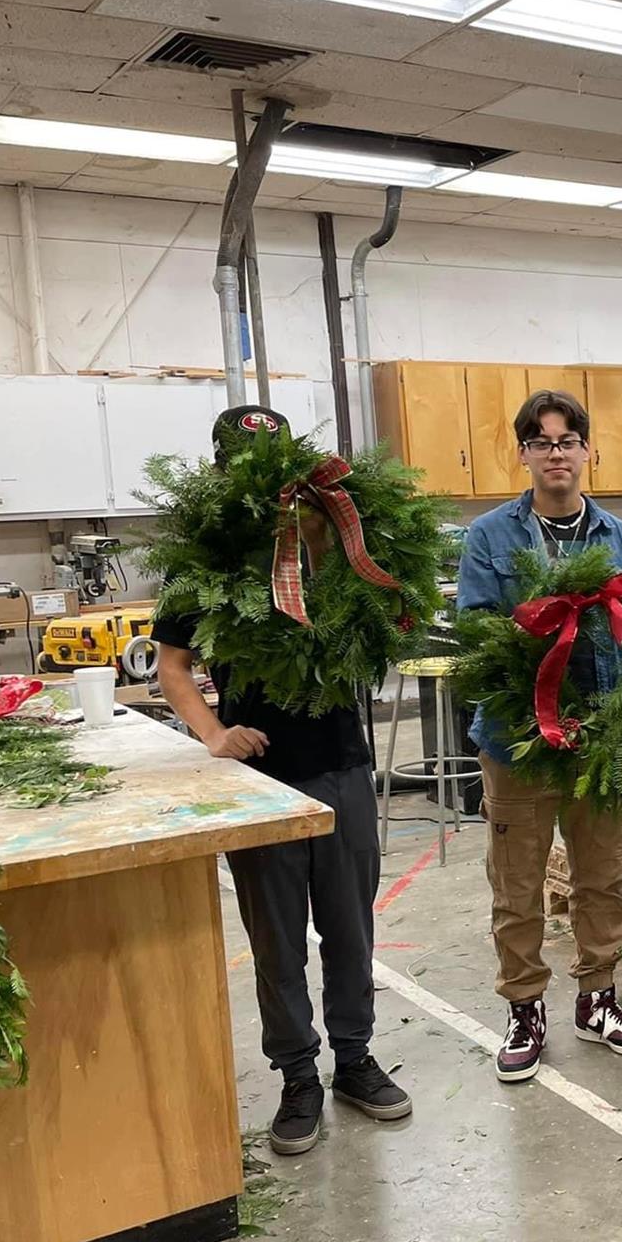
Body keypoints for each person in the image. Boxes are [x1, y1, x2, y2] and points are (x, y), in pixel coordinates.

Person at [154, 405, 412, 1157]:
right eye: (244, 462)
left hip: (342, 764)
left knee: (350, 924)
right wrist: (212, 733)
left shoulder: (333, 531)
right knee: (275, 938)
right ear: (221, 470)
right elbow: (171, 664)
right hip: (262, 779)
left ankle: (355, 1059)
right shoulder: (209, 557)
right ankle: (298, 1074)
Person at [457, 388, 622, 1084]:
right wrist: (546, 622)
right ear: (523, 454)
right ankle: (525, 1008)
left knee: (601, 875)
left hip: (605, 736)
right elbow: (480, 631)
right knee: (517, 883)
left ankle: (598, 999)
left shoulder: (619, 537)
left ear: (587, 451)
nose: (556, 453)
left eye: (567, 440)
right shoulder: (489, 536)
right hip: (518, 741)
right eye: (541, 441)